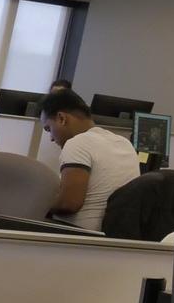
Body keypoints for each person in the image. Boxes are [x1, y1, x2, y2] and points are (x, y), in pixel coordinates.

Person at [39, 89, 140, 232]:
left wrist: (37, 202)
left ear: (62, 118)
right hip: (112, 237)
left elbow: (69, 204)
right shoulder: (123, 143)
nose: (51, 138)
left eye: (48, 128)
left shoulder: (77, 143)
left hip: (77, 235)